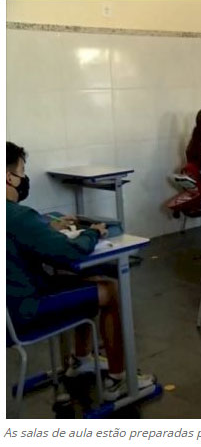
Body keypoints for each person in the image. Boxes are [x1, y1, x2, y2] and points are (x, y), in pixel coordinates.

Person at [6, 142, 155, 401]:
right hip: (26, 310)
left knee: (83, 280)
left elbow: (21, 237)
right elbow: (70, 252)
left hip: (9, 310)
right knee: (109, 290)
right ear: (9, 177)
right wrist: (92, 232)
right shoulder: (17, 216)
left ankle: (81, 359)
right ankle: (120, 378)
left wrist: (46, 228)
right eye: (22, 172)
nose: (24, 179)